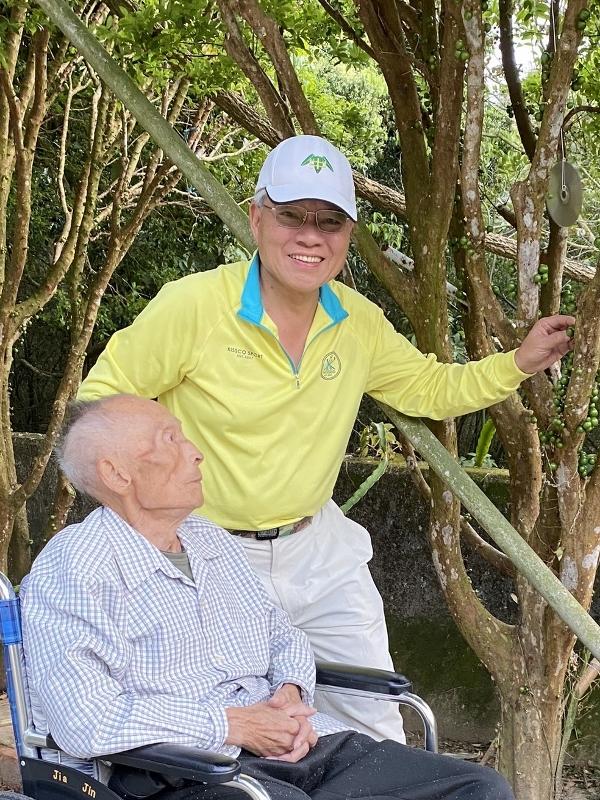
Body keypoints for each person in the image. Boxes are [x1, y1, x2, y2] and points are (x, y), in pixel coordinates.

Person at [77, 134, 574, 742]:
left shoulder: (357, 321)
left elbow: (428, 387)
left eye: (329, 222)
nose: (310, 236)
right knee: (235, 734)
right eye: (292, 216)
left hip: (319, 550)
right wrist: (146, 512)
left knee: (376, 721)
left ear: (348, 235)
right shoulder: (194, 306)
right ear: (257, 219)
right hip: (206, 556)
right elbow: (102, 404)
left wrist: (518, 362)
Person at [22, 395, 515, 800]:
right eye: (170, 440)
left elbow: (281, 634)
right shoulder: (76, 567)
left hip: (296, 746)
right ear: (117, 474)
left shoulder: (209, 540)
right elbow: (84, 719)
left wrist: (290, 694)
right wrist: (233, 726)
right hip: (181, 771)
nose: (195, 452)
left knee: (477, 788)